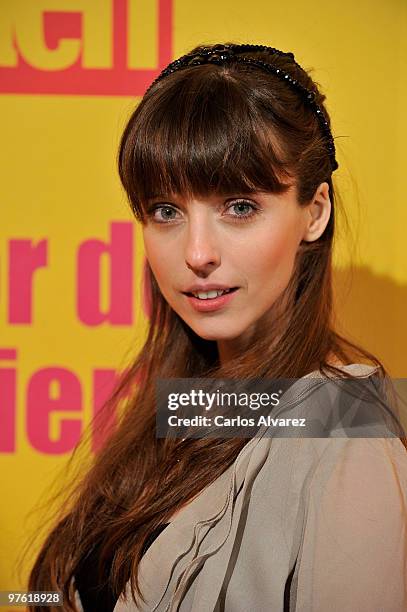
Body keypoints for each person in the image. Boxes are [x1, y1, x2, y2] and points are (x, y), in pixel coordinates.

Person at [26, 42, 407, 611]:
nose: (197, 253)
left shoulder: (344, 430)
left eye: (240, 206)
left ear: (315, 211)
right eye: (166, 211)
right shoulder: (188, 405)